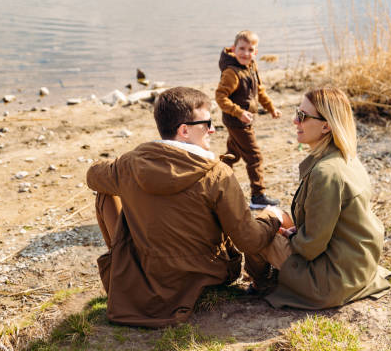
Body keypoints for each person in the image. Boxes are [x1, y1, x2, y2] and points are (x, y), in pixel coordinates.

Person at [86, 86, 284, 327]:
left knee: (107, 193)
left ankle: (120, 265)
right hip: (207, 273)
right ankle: (261, 281)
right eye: (207, 123)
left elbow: (92, 175)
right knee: (260, 218)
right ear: (184, 130)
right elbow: (248, 241)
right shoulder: (218, 174)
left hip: (147, 270)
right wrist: (273, 217)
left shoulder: (129, 164)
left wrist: (129, 163)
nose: (212, 129)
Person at [246, 87, 391, 309]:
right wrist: (293, 231)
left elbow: (310, 248)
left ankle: (263, 284)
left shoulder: (326, 173)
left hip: (334, 280)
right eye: (297, 112)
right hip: (358, 264)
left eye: (303, 116)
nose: (295, 120)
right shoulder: (346, 156)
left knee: (255, 234)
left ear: (326, 126)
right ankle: (272, 275)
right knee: (275, 215)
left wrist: (290, 237)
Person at [215, 30, 282, 209]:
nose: (245, 53)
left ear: (256, 52)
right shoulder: (231, 73)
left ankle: (215, 180)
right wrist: (239, 113)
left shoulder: (251, 66)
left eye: (250, 49)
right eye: (241, 49)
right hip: (237, 121)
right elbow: (221, 97)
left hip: (243, 120)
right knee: (254, 157)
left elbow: (259, 90)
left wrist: (271, 108)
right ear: (233, 49)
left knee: (233, 153)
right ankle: (257, 196)